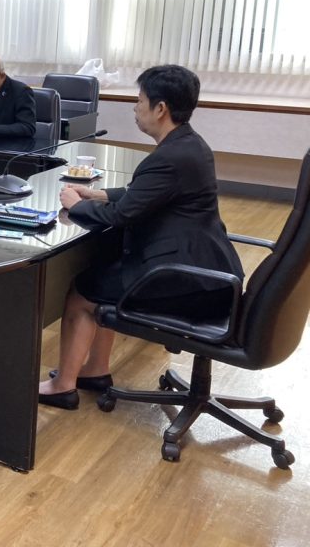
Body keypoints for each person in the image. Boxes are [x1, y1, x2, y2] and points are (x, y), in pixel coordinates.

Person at [38, 65, 243, 410]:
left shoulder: (169, 157)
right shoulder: (190, 145)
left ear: (160, 108)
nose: (135, 108)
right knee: (105, 275)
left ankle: (63, 385)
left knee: (84, 292)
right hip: (209, 271)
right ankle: (95, 371)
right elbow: (144, 194)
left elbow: (122, 216)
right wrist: (99, 194)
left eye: (139, 100)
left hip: (186, 281)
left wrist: (76, 206)